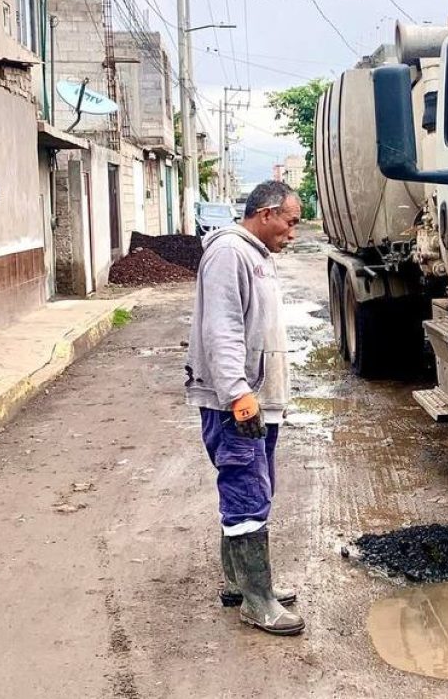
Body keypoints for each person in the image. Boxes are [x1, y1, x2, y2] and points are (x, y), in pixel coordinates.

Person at [184, 181, 304, 636]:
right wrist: (237, 392)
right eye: (290, 222)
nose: (292, 233)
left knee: (255, 486)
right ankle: (257, 601)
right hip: (236, 402)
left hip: (256, 399)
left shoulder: (255, 255)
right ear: (268, 213)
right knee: (246, 492)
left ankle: (241, 583)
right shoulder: (230, 253)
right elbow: (222, 327)